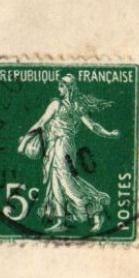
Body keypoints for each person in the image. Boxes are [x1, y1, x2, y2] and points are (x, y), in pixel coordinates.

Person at [17, 74, 120, 233]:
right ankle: (60, 220)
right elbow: (92, 126)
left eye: (62, 86)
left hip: (63, 144)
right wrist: (109, 134)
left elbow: (42, 123)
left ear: (69, 88)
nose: (59, 89)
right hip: (54, 145)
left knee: (66, 181)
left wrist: (24, 142)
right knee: (56, 181)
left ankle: (95, 210)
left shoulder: (60, 104)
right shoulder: (72, 105)